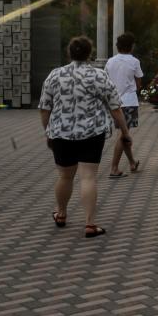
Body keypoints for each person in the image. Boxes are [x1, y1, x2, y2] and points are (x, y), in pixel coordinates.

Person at [39, 35, 133, 239]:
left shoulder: (55, 75)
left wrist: (48, 131)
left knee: (65, 176)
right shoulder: (99, 76)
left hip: (61, 133)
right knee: (88, 177)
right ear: (90, 53)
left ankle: (61, 214)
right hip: (92, 133)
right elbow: (116, 108)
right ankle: (90, 224)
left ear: (69, 53)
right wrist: (125, 132)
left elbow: (44, 108)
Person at [104, 32, 143, 177]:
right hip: (129, 102)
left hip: (114, 103)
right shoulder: (134, 61)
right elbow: (139, 82)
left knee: (123, 133)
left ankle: (132, 163)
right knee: (123, 135)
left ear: (117, 46)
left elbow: (106, 81)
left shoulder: (110, 61)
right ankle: (114, 168)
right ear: (132, 46)